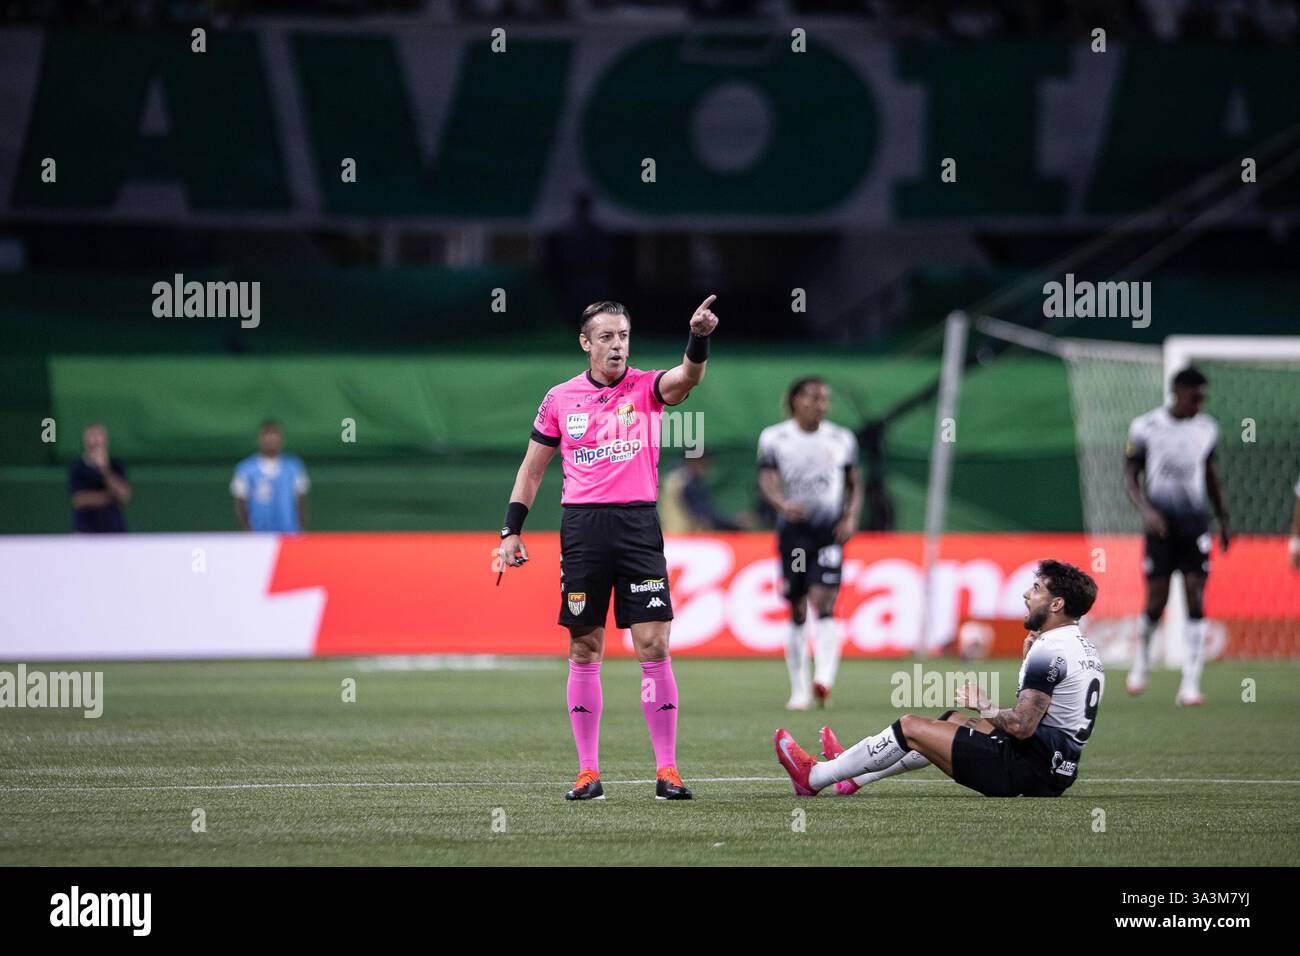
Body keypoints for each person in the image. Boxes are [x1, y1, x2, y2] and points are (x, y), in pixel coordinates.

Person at [498, 297, 719, 801]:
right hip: (583, 530)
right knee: (584, 646)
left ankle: (667, 771)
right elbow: (532, 470)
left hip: (638, 525)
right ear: (586, 343)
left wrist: (699, 337)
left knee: (655, 646)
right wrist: (510, 530)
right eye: (607, 337)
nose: (617, 344)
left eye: (623, 335)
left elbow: (686, 378)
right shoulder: (559, 398)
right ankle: (588, 773)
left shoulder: (647, 387)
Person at [775, 560, 1104, 799]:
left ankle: (814, 777)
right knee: (954, 720)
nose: (1025, 594)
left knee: (910, 726)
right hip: (1056, 769)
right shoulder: (1081, 646)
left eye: (1036, 589)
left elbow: (1022, 727)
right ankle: (853, 775)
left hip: (1024, 773)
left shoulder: (1050, 650)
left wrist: (984, 704)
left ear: (1056, 604)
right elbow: (1051, 714)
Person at [1123, 366, 1230, 705]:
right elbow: (1129, 476)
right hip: (1161, 525)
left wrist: (1223, 516)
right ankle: (1141, 663)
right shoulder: (1145, 427)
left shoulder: (1207, 428)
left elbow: (1210, 474)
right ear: (1177, 393)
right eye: (1194, 396)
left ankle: (1190, 683)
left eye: (1203, 397)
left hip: (1195, 523)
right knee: (1157, 599)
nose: (1200, 403)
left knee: (1196, 595)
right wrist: (1147, 510)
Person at [757, 377, 863, 710]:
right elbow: (767, 479)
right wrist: (781, 504)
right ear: (796, 400)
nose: (821, 405)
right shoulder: (774, 438)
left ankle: (825, 678)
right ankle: (799, 689)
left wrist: (850, 517)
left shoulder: (841, 438)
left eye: (825, 399)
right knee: (798, 605)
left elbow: (854, 484)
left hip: (828, 532)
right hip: (794, 534)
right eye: (815, 398)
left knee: (825, 599)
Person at [231, 420, 310, 533]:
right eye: (267, 434)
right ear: (259, 439)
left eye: (275, 434)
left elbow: (301, 501)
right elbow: (240, 503)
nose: (271, 438)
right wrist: (248, 530)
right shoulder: (246, 469)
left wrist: (300, 529)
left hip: (289, 534)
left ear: (282, 439)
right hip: (258, 535)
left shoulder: (294, 467)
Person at [69, 423, 131, 533]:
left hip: (114, 531)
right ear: (85, 441)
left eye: (98, 437)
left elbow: (123, 495)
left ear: (106, 441)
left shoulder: (116, 465)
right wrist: (110, 497)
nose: (95, 442)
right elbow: (79, 500)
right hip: (86, 531)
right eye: (92, 437)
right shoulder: (77, 467)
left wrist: (104, 469)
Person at [658, 453, 741, 534]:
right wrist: (732, 524)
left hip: (670, 534)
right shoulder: (687, 481)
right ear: (698, 461)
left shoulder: (674, 477)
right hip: (685, 537)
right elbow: (704, 512)